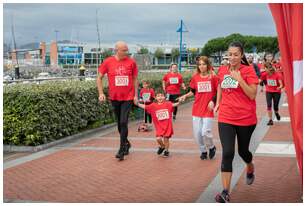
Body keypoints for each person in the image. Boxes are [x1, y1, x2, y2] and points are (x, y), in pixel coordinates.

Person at [214, 41, 259, 203]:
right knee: (227, 153)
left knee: (243, 152)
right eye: (230, 54)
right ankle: (225, 192)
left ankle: (250, 165)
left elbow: (253, 95)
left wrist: (240, 79)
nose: (232, 57)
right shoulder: (222, 69)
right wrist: (218, 102)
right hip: (226, 117)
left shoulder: (248, 70)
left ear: (241, 55)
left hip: (246, 118)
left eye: (235, 54)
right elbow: (220, 86)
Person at [96, 41, 138, 161]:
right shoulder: (108, 61)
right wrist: (101, 93)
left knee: (124, 122)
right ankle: (126, 143)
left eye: (127, 50)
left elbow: (135, 79)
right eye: (124, 50)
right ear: (117, 50)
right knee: (120, 124)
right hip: (114, 97)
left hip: (128, 97)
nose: (126, 52)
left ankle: (121, 150)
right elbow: (99, 77)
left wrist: (135, 95)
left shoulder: (132, 62)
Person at [178, 56, 218, 160]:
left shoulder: (213, 77)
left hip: (208, 109)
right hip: (197, 108)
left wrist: (213, 101)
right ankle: (203, 151)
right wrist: (185, 96)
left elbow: (218, 91)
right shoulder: (195, 77)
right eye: (200, 64)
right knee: (197, 134)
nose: (202, 66)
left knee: (205, 131)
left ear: (207, 65)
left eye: (204, 64)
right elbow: (193, 91)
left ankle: (211, 147)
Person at [135, 89, 181, 157]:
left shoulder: (168, 104)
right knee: (158, 139)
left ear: (165, 97)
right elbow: (145, 106)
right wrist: (137, 103)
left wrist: (180, 101)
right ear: (155, 97)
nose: (160, 97)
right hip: (159, 126)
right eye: (158, 96)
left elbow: (175, 104)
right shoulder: (153, 105)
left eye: (162, 96)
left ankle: (166, 151)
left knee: (166, 139)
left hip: (167, 126)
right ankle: (162, 147)